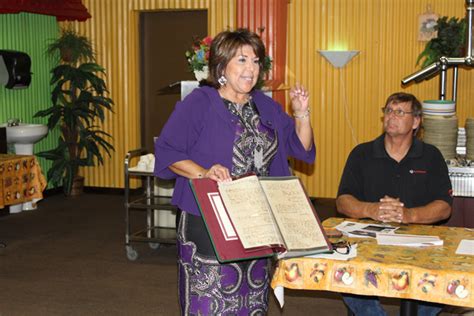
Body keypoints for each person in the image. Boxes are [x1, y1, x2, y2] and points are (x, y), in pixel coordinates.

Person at [154, 28, 315, 315]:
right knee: (212, 298)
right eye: (242, 60)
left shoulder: (266, 105)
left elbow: (300, 149)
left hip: (257, 219)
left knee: (252, 298)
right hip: (210, 218)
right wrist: (204, 172)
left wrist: (302, 113)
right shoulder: (200, 102)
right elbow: (168, 151)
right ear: (222, 66)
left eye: (255, 61)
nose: (250, 69)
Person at [336, 92, 452, 316]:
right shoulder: (362, 153)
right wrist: (372, 210)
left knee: (442, 281)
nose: (391, 116)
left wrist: (408, 215)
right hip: (370, 240)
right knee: (344, 272)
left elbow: (444, 206)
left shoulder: (431, 156)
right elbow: (343, 201)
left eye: (400, 112)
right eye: (388, 111)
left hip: (420, 242)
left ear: (416, 121)